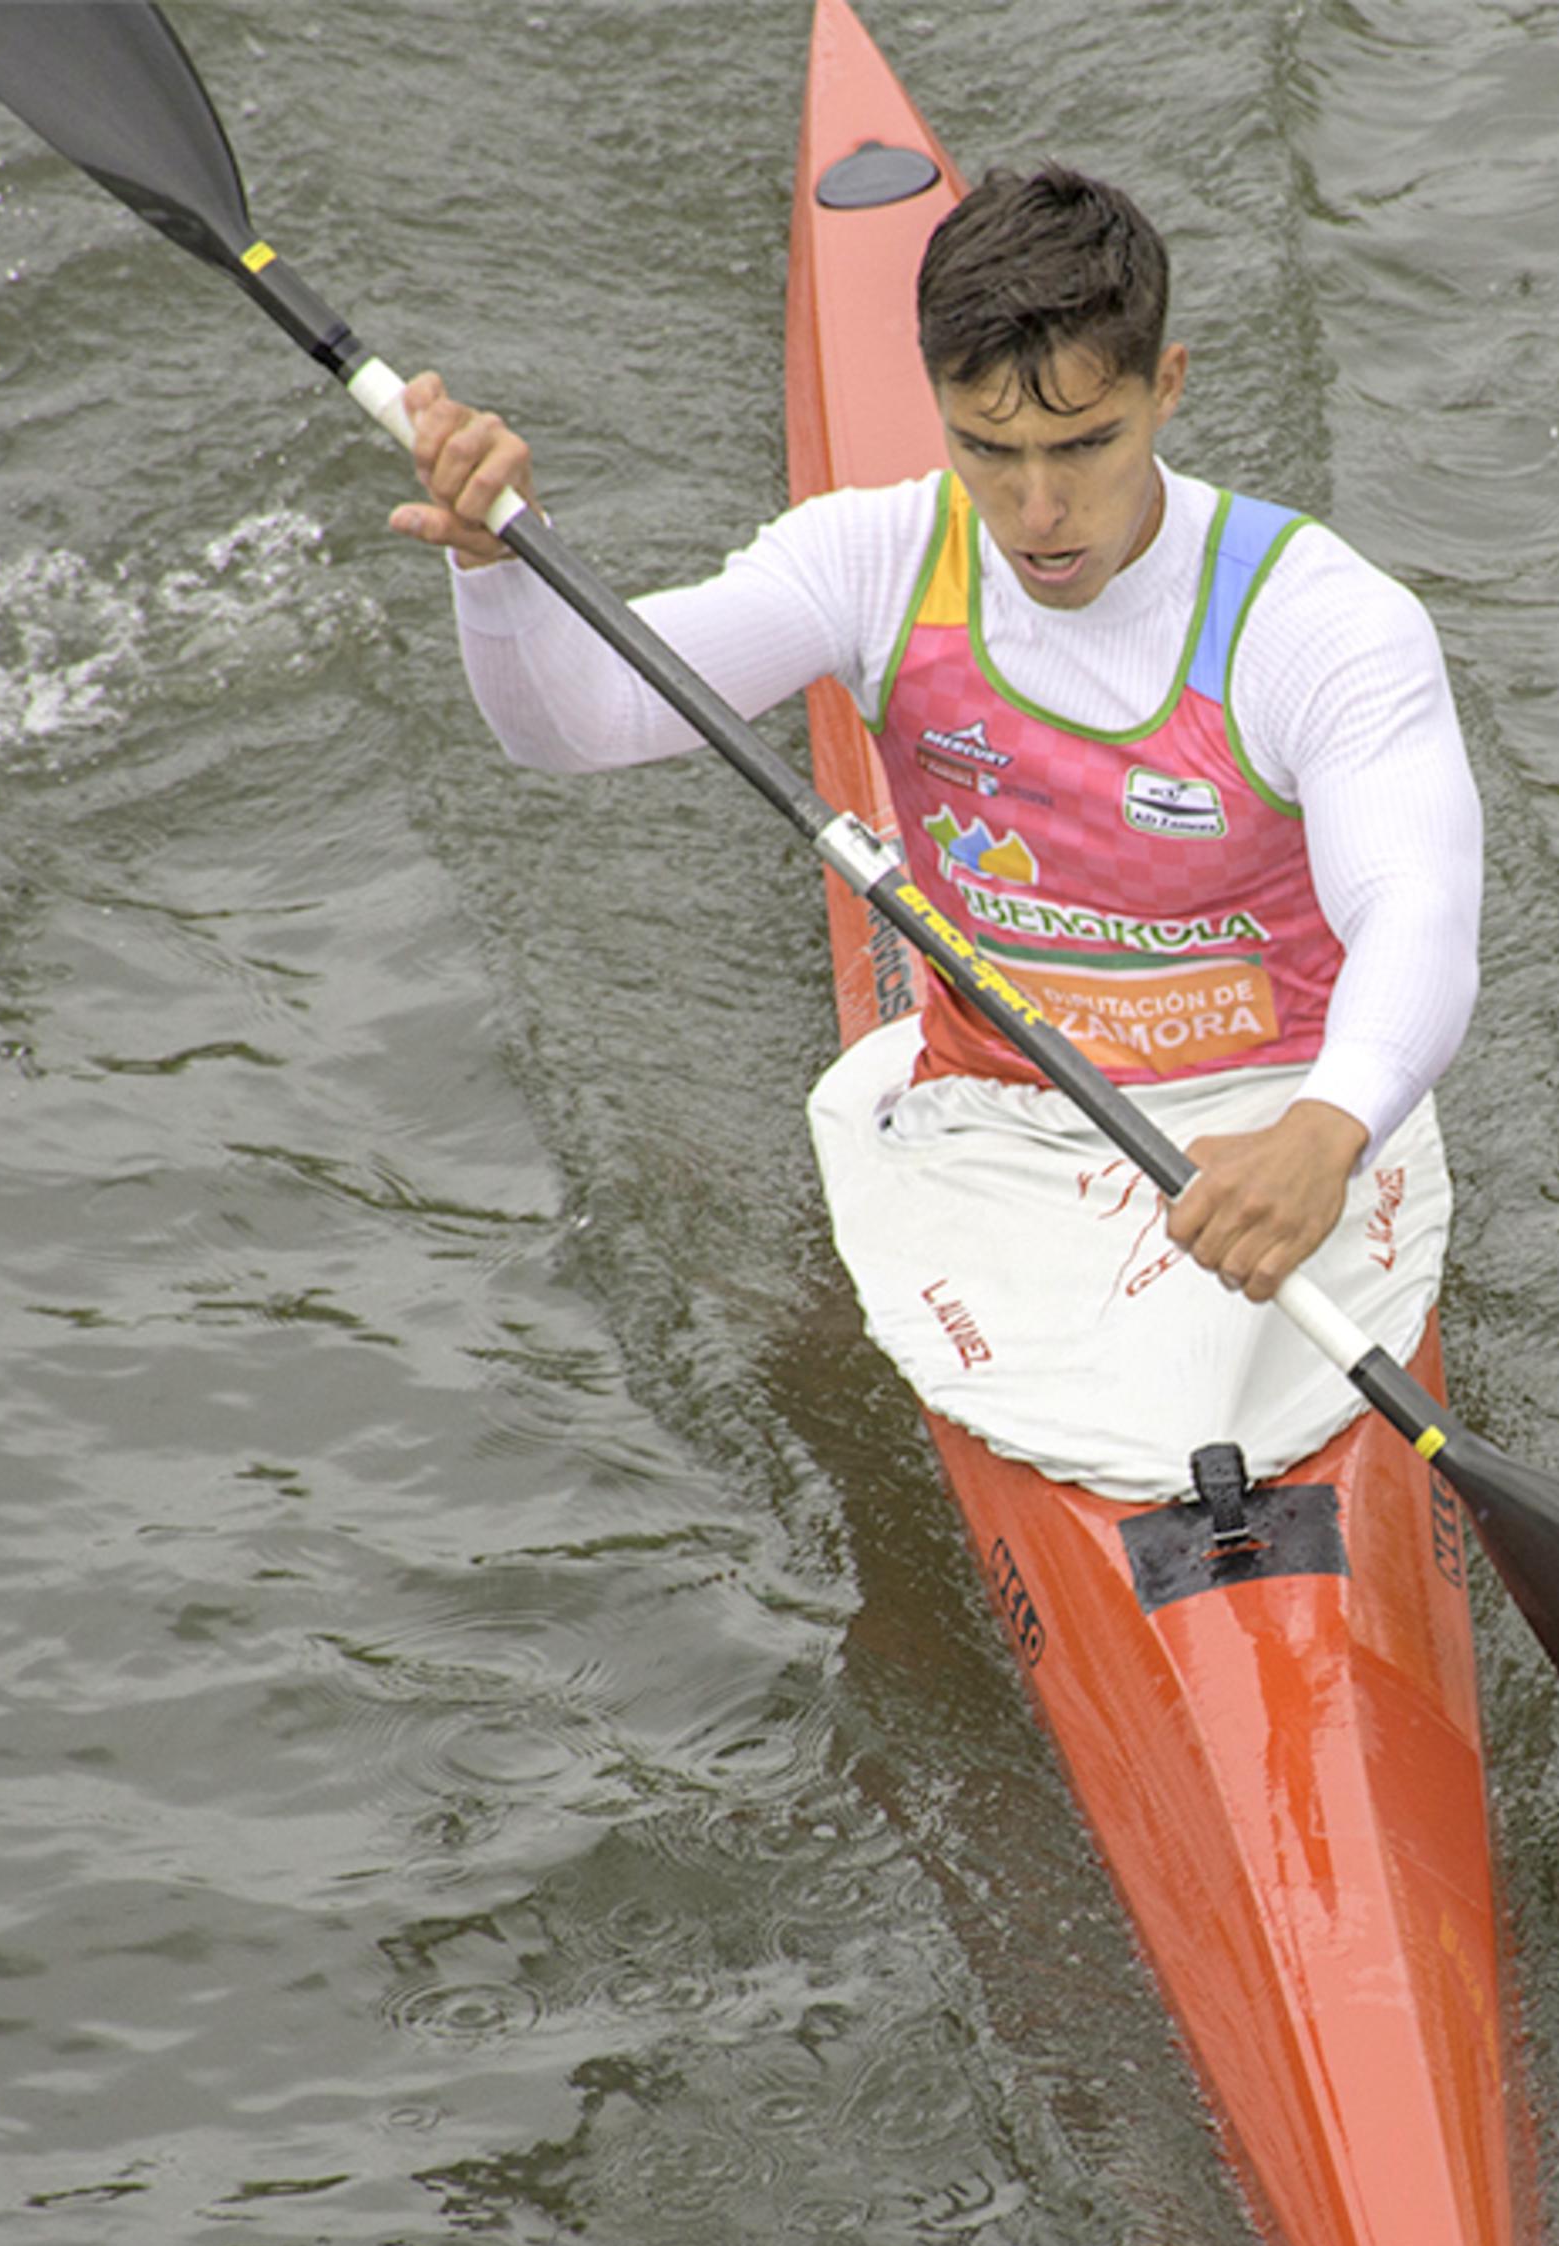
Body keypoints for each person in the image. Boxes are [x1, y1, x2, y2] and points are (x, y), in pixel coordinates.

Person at [389, 167, 1480, 1503]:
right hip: (1002, 1119)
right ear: (940, 414)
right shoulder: (875, 561)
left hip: (1277, 1113)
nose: (1036, 516)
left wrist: (1333, 1126)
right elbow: (584, 722)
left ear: (1169, 385)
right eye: (989, 449)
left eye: (1084, 446)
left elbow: (1419, 910)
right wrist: (498, 567)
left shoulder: (1320, 620)